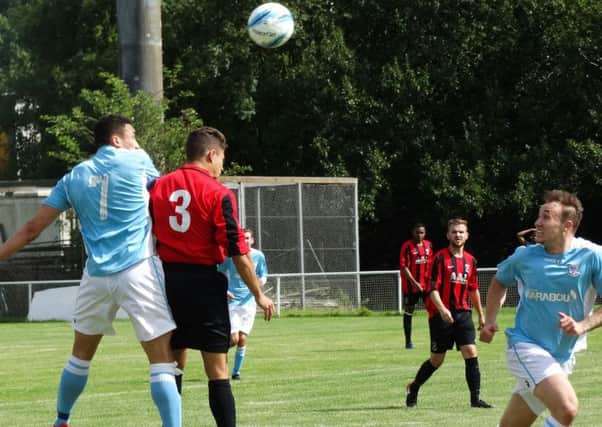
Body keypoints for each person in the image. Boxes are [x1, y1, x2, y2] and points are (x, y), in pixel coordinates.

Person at [0, 115, 181, 427]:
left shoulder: (74, 177)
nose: (137, 142)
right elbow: (165, 195)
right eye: (133, 135)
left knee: (80, 357)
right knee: (162, 362)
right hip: (138, 270)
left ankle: (61, 420)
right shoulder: (137, 161)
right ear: (116, 140)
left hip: (96, 276)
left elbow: (31, 229)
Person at [149, 126, 275, 427]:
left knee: (172, 366)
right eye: (222, 159)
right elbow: (238, 253)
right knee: (217, 371)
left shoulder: (158, 186)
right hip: (205, 285)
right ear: (211, 154)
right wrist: (258, 293)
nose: (222, 167)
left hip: (166, 284)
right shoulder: (218, 193)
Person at [480, 190, 602, 427]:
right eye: (538, 216)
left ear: (567, 225)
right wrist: (489, 320)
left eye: (546, 217)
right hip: (525, 346)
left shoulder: (592, 256)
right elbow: (499, 282)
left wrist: (582, 325)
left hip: (561, 356)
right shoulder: (524, 256)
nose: (537, 222)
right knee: (567, 409)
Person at [406, 218, 492, 409]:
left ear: (467, 235)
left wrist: (481, 314)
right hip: (440, 316)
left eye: (461, 232)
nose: (458, 235)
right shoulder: (439, 258)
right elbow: (432, 289)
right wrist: (442, 309)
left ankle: (475, 399)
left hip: (463, 314)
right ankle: (414, 387)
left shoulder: (471, 261)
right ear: (448, 235)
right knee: (437, 360)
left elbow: (473, 289)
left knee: (470, 353)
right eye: (454, 232)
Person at [219, 227, 268, 380]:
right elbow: (218, 272)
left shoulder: (258, 256)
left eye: (248, 238)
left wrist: (260, 282)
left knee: (242, 339)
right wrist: (223, 289)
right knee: (233, 339)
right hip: (232, 301)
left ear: (252, 240)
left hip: (249, 303)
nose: (245, 240)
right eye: (243, 238)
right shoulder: (231, 256)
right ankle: (218, 355)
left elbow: (263, 274)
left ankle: (236, 373)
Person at [399, 222, 433, 349]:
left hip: (426, 286)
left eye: (422, 232)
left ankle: (434, 340)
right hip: (410, 286)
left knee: (433, 311)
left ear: (425, 233)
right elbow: (404, 267)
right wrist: (415, 283)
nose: (419, 235)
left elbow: (430, 264)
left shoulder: (429, 245)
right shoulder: (407, 246)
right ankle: (408, 342)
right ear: (412, 232)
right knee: (409, 311)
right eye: (417, 232)